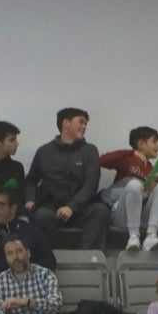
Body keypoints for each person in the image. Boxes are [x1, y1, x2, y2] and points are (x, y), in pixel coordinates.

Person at [25, 107, 108, 250]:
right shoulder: (44, 151)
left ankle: (87, 260)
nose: (84, 127)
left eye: (86, 124)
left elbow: (91, 185)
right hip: (51, 209)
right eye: (81, 122)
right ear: (66, 123)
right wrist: (30, 199)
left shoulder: (90, 151)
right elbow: (31, 179)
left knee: (100, 211)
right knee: (41, 216)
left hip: (81, 209)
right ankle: (54, 257)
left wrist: (72, 206)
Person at [99, 125, 158, 251]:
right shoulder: (128, 158)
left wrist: (152, 191)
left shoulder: (155, 171)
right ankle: (133, 237)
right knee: (134, 184)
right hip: (122, 216)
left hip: (145, 219)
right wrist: (131, 152)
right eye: (154, 141)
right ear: (141, 144)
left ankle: (151, 236)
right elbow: (102, 160)